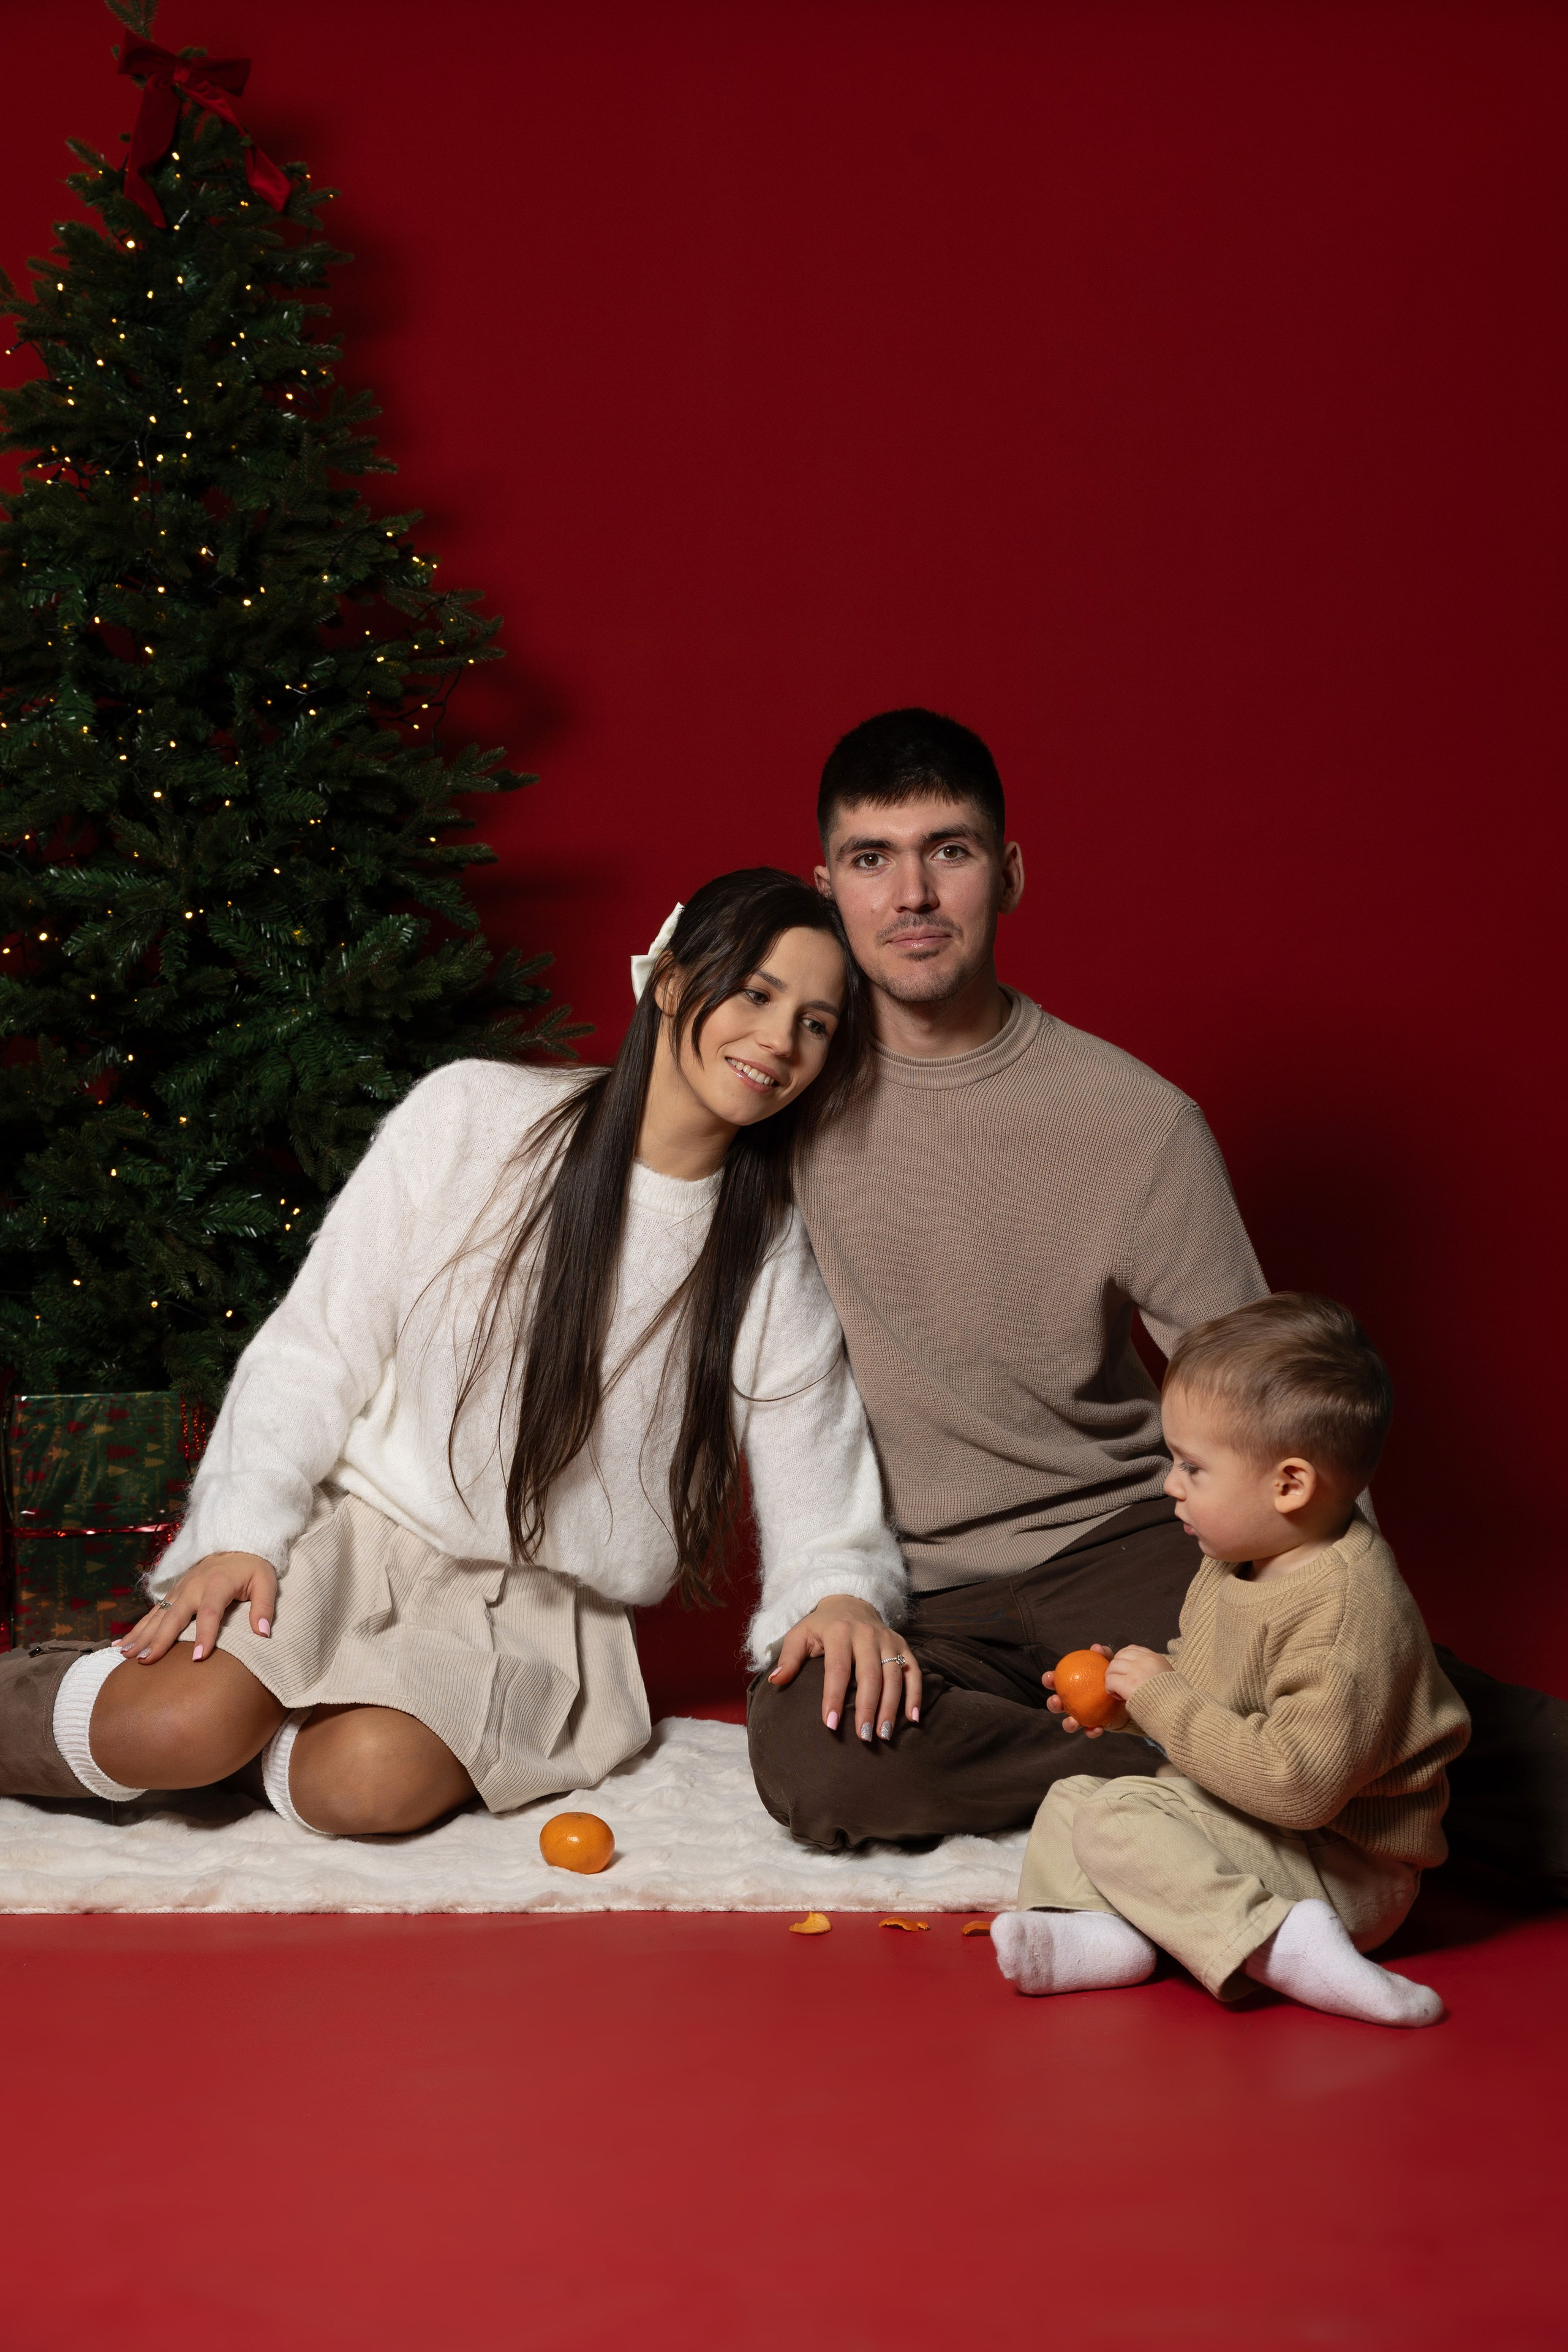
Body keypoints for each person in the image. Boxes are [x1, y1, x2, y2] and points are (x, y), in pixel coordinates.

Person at [748, 708, 1565, 1887]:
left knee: (1398, 1724)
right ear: (829, 891)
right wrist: (833, 1591)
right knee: (821, 1763)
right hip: (912, 1589)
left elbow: (1268, 1397)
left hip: (1130, 1544)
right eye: (873, 859)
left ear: (1008, 873)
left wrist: (1353, 1626)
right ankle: (1220, 1769)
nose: (913, 894)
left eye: (950, 851)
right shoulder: (780, 1088)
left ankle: (1267, 1757)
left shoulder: (1137, 1123)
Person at [0, 870, 911, 1834]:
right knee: (179, 1726)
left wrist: (840, 1595)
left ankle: (248, 1742)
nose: (779, 1039)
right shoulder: (473, 1115)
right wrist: (239, 1530)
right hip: (356, 1541)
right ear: (674, 981)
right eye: (757, 993)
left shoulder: (768, 1251)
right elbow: (316, 1346)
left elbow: (821, 1488)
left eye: (816, 1023)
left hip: (543, 1621)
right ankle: (184, 1724)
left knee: (364, 1787)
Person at [992, 1294, 1468, 2027]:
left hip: (1343, 1867)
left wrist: (1165, 1701)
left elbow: (1297, 1787)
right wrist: (1130, 1706)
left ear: (1288, 1485)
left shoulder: (1348, 1611)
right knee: (1074, 1800)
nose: (1169, 1484)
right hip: (1259, 1829)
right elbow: (1212, 1695)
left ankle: (1285, 1942)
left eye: (1192, 1466)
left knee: (1119, 1815)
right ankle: (1109, 1937)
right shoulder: (1237, 1559)